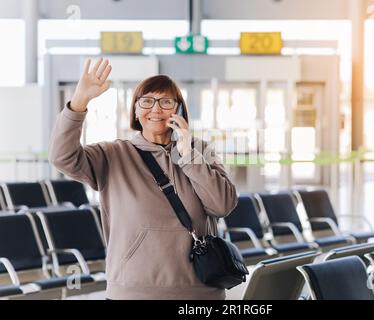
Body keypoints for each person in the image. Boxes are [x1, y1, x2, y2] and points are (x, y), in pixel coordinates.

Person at [48, 58, 238, 300]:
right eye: (147, 101)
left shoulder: (200, 151)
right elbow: (62, 157)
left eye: (166, 102)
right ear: (136, 111)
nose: (156, 109)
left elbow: (223, 205)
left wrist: (188, 155)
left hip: (200, 292)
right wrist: (79, 102)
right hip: (133, 292)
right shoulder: (113, 155)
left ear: (178, 109)